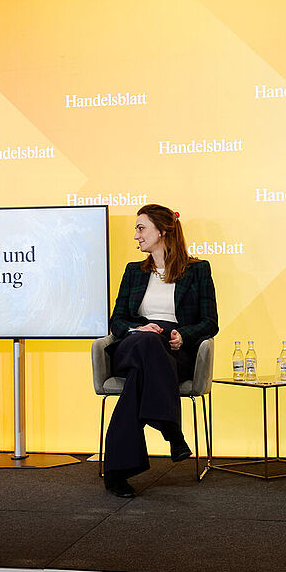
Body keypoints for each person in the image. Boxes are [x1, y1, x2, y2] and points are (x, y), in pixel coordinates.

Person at [102, 204, 218, 498]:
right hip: (132, 346)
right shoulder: (133, 272)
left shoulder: (198, 270)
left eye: (141, 228)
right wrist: (139, 330)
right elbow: (116, 321)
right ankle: (171, 429)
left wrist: (183, 335)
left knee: (139, 381)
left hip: (173, 351)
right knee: (149, 341)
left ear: (162, 231)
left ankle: (117, 471)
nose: (136, 236)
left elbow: (210, 322)